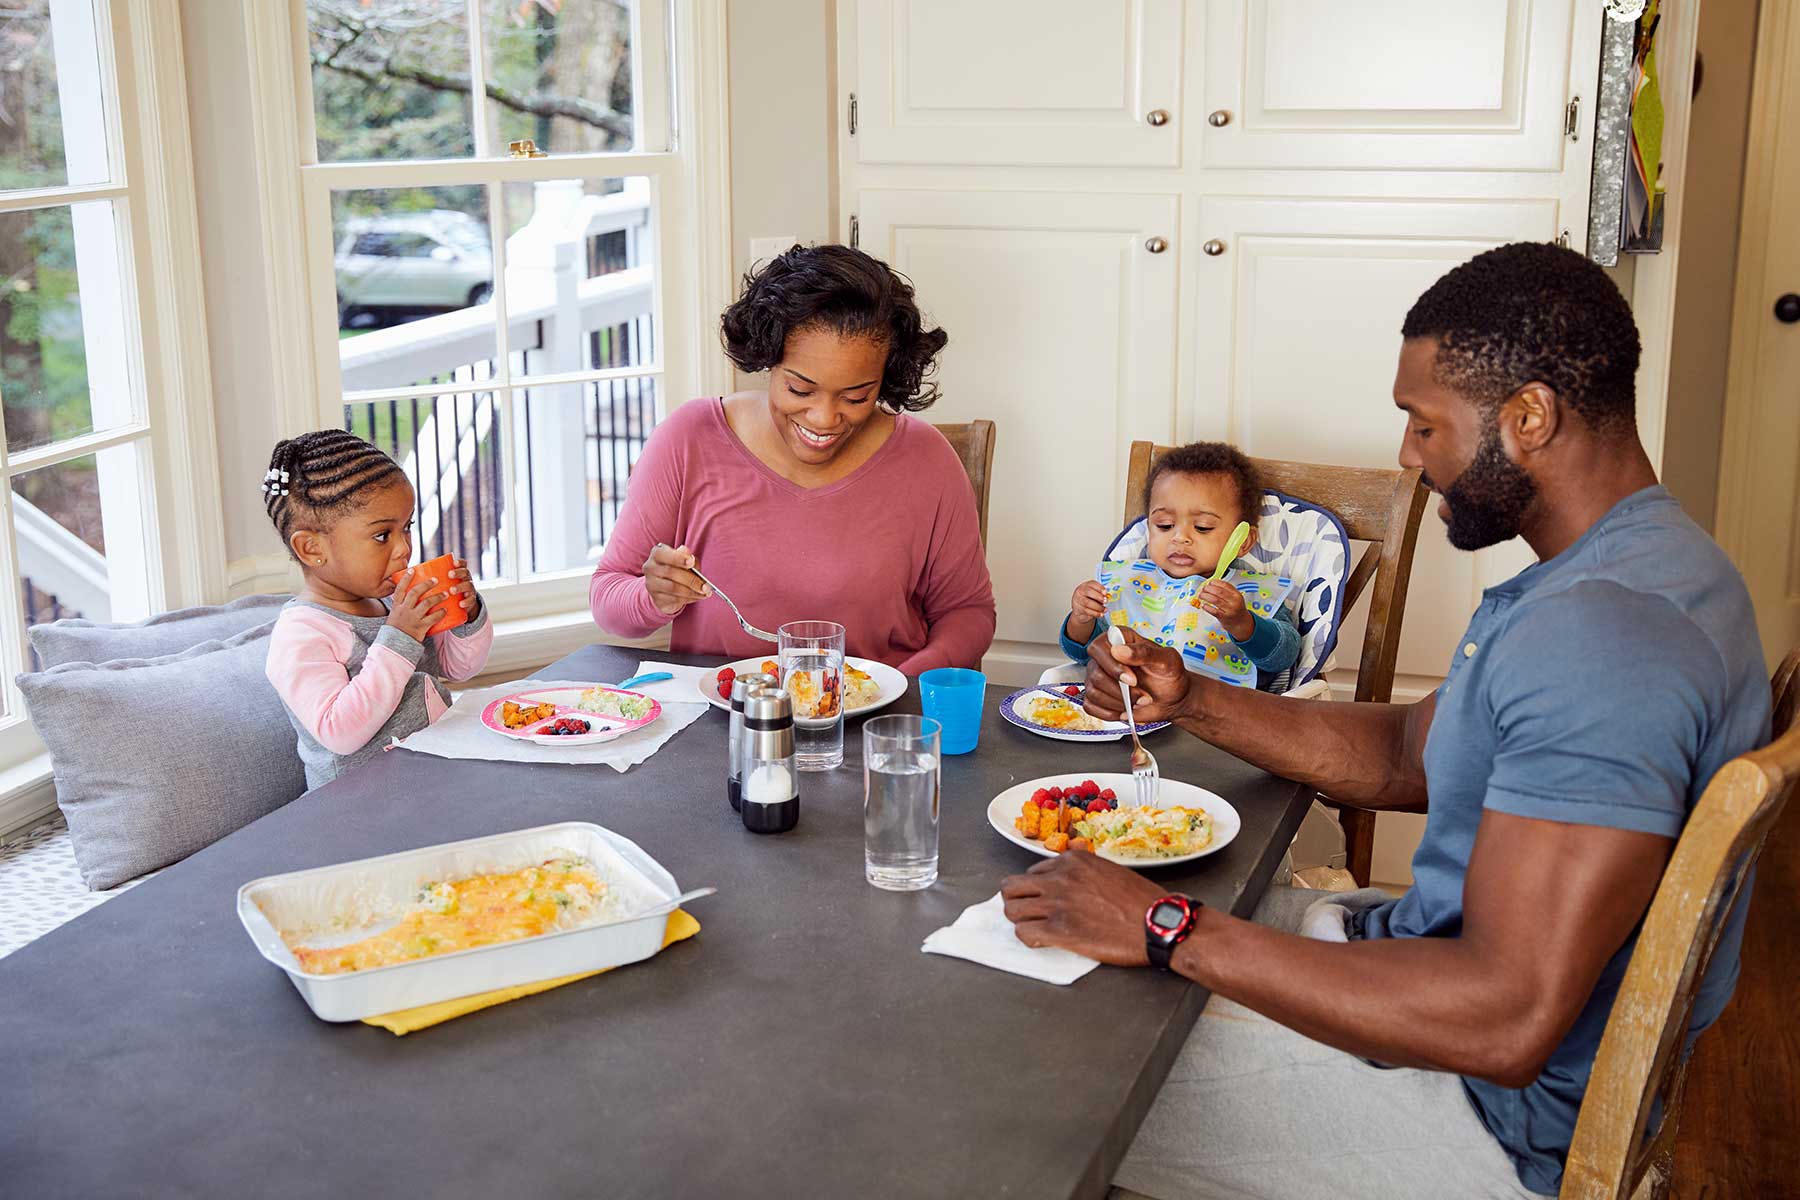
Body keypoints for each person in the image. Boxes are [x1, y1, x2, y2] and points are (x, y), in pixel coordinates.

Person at [1000, 242, 1770, 1198]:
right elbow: (1413, 751)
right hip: (1410, 967)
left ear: (1527, 417)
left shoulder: (1604, 637)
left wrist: (1163, 923)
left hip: (1477, 1119)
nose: (1409, 455)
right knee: (1049, 937)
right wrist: (1192, 696)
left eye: (1423, 423)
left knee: (1013, 1053)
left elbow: (1502, 1019)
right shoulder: (1646, 565)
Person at [589, 244, 995, 674]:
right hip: (720, 727)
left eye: (856, 397)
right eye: (800, 390)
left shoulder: (927, 461)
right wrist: (653, 596)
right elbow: (607, 597)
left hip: (874, 727)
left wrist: (899, 685)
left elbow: (968, 612)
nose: (824, 418)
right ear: (769, 359)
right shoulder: (689, 440)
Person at [262, 431, 492, 789]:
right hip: (360, 809)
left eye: (407, 527)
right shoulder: (302, 634)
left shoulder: (391, 601)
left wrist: (468, 612)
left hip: (433, 779)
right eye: (383, 535)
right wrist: (400, 636)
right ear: (311, 548)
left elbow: (459, 667)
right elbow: (339, 731)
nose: (404, 548)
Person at [1059, 442, 1299, 692]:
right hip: (1128, 710)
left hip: (1213, 718)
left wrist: (1242, 623)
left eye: (1203, 527)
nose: (1179, 537)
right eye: (1164, 525)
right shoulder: (1129, 583)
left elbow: (1284, 656)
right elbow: (1084, 652)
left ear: (1243, 541)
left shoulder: (1251, 592)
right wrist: (1081, 618)